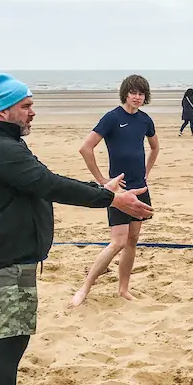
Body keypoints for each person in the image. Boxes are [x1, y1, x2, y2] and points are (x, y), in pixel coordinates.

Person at [0, 71, 152, 385]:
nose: (33, 112)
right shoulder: (1, 149)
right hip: (4, 258)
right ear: (3, 110)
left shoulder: (0, 141)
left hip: (0, 253)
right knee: (10, 340)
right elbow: (49, 185)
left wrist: (101, 190)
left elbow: (44, 180)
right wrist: (110, 199)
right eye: (26, 106)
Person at [71, 75, 159, 306]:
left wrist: (146, 173)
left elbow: (154, 147)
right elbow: (86, 148)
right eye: (133, 92)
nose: (137, 97)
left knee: (132, 240)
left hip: (140, 188)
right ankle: (85, 288)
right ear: (125, 94)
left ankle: (123, 289)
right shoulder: (112, 118)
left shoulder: (145, 120)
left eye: (141, 93)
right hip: (119, 192)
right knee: (118, 242)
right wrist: (102, 180)